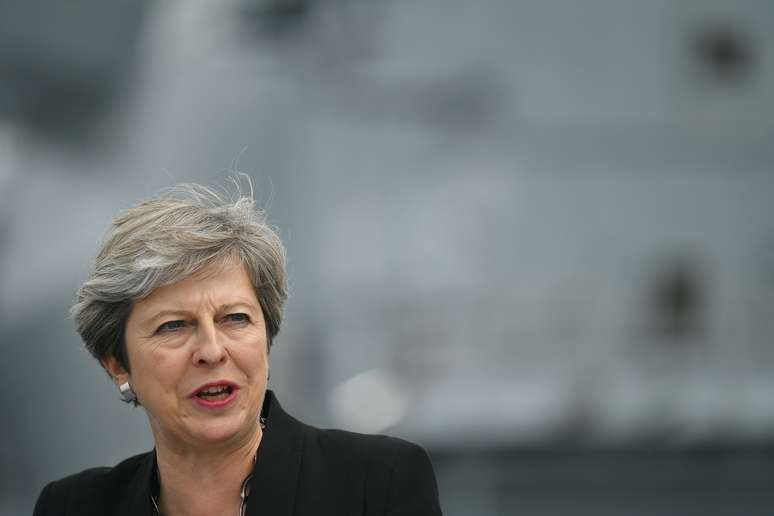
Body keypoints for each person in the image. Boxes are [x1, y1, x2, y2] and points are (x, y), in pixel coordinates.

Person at [33, 179, 442, 516]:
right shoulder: (72, 506)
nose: (212, 351)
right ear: (117, 364)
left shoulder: (378, 481)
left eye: (234, 319)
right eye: (173, 326)